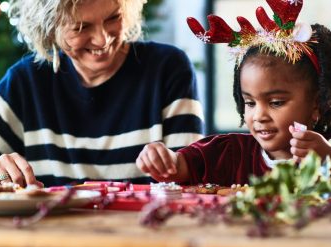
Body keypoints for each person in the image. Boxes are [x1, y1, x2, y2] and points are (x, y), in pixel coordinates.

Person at [0, 0, 204, 187]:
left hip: (147, 235)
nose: (102, 39)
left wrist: (175, 165)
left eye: (113, 18)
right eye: (81, 28)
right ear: (50, 27)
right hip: (49, 237)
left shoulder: (168, 69)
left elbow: (192, 176)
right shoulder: (25, 82)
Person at [136, 0, 331, 186]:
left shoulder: (325, 157)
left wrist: (326, 162)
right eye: (250, 103)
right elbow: (182, 166)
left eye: (276, 102)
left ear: (317, 104)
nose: (259, 116)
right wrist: (164, 159)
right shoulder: (228, 152)